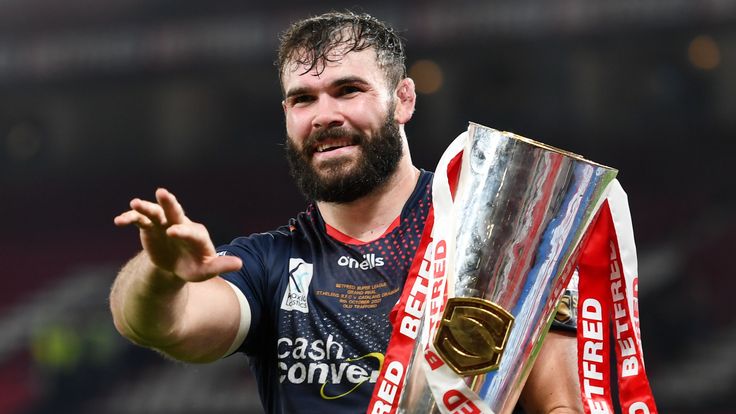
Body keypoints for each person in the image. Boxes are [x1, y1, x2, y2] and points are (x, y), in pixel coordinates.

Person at [110, 11, 582, 414]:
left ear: (403, 99)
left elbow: (562, 403)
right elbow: (156, 325)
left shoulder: (494, 235)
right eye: (303, 99)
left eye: (348, 90)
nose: (324, 115)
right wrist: (161, 274)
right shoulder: (267, 264)